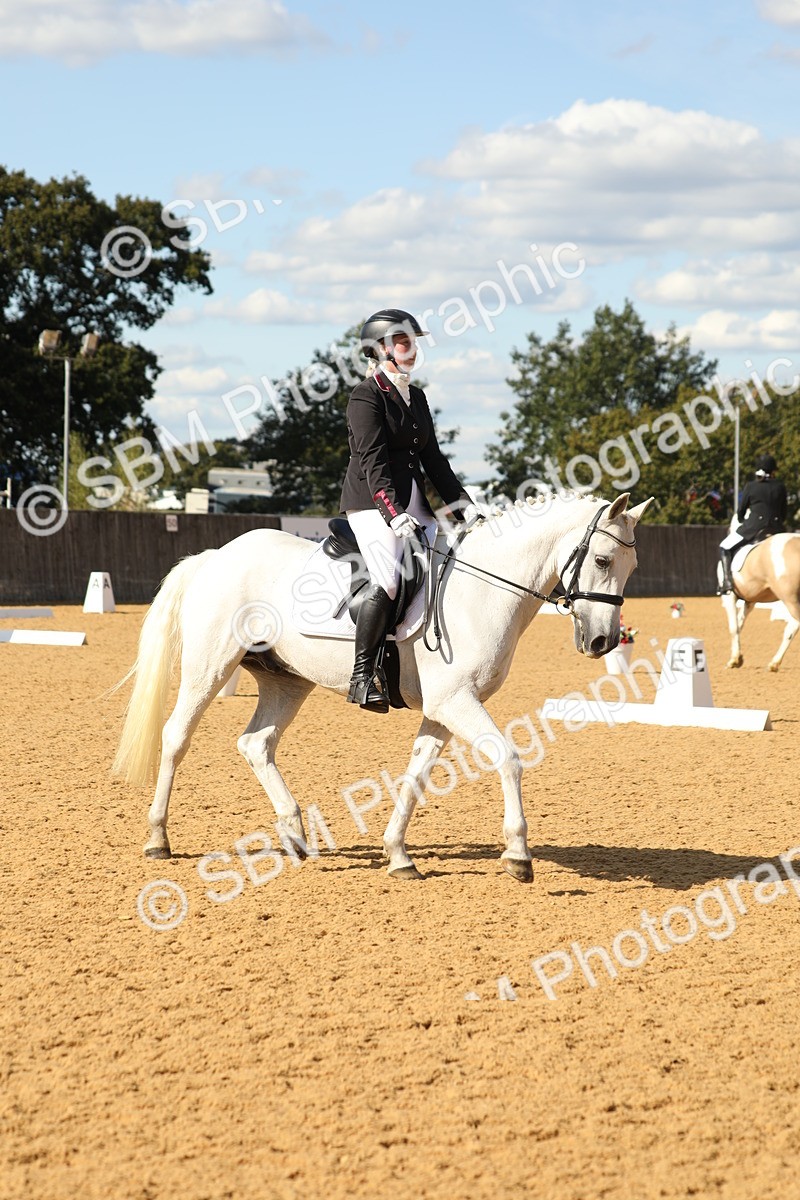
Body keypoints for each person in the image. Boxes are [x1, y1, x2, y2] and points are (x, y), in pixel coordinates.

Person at [340, 308, 480, 712]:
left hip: (415, 502)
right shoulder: (365, 396)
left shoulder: (416, 396)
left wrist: (463, 508)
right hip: (372, 502)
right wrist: (392, 511)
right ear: (381, 348)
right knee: (388, 580)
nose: (412, 349)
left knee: (443, 571)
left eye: (414, 342)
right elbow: (373, 460)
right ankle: (362, 676)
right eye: (403, 342)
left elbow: (433, 459)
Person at [717, 454, 788, 594]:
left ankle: (727, 583)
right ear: (773, 470)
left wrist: (742, 520)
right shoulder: (780, 487)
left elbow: (741, 510)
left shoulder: (751, 486)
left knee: (725, 546)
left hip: (754, 528)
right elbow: (784, 512)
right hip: (777, 528)